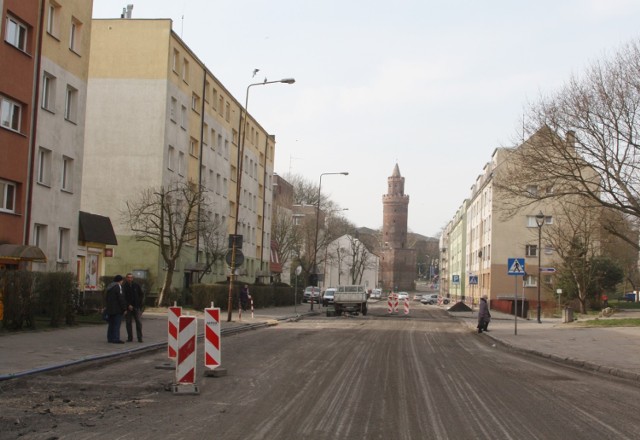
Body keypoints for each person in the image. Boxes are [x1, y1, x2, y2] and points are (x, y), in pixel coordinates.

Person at [105, 275, 127, 343]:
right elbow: (121, 299)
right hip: (117, 309)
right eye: (122, 280)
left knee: (111, 324)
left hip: (110, 308)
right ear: (120, 281)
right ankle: (115, 338)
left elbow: (106, 297)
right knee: (116, 324)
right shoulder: (118, 287)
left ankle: (110, 338)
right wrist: (124, 308)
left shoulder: (110, 286)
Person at [123, 273, 144, 342]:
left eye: (131, 277)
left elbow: (141, 295)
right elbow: (123, 297)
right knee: (128, 323)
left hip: (136, 307)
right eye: (128, 277)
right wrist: (128, 305)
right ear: (126, 278)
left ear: (133, 278)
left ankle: (139, 337)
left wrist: (139, 304)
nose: (130, 279)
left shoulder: (136, 285)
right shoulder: (124, 286)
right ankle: (130, 337)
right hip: (128, 307)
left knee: (138, 322)